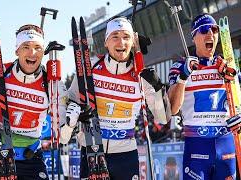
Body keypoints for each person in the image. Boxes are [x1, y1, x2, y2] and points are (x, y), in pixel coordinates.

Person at [60, 16, 171, 180]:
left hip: (125, 154)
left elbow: (162, 118)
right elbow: (69, 105)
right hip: (92, 149)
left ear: (133, 42)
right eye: (115, 37)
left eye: (126, 37)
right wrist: (73, 118)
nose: (121, 42)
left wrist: (158, 89)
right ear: (106, 42)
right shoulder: (90, 67)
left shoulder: (141, 74)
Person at [0, 24, 68, 180]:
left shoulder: (51, 82)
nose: (32, 52)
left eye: (37, 47)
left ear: (43, 51)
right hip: (0, 155)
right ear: (17, 50)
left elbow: (62, 135)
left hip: (31, 158)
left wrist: (70, 122)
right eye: (26, 46)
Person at [168, 13, 237, 179]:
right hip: (197, 148)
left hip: (226, 145)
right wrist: (183, 77)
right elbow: (172, 108)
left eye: (214, 30)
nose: (210, 34)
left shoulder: (227, 66)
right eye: (204, 29)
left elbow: (238, 99)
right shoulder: (180, 66)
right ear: (193, 37)